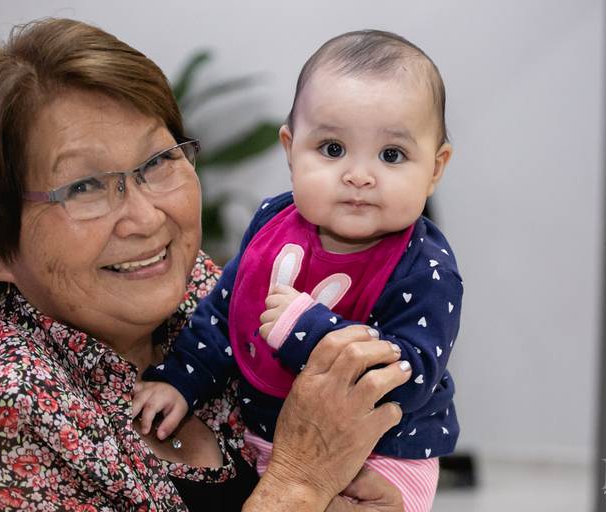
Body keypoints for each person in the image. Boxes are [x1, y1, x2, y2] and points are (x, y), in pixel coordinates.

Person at [0, 19, 414, 511]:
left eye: (159, 161)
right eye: (85, 187)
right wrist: (300, 480)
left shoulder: (201, 294)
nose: (145, 218)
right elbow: (303, 472)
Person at [135, 30, 463, 512]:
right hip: (269, 441)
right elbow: (226, 313)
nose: (359, 175)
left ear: (435, 168)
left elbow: (409, 377)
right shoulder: (273, 223)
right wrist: (180, 379)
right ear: (291, 148)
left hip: (386, 456)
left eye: (391, 155)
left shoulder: (425, 268)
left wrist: (307, 330)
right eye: (332, 149)